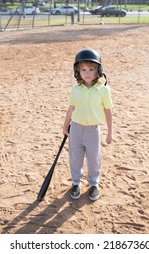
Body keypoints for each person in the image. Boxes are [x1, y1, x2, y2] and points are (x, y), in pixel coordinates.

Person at [63, 49, 113, 201]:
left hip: (93, 130)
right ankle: (76, 183)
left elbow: (107, 110)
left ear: (98, 70)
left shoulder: (103, 90)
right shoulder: (75, 89)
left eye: (91, 69)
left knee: (93, 159)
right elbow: (71, 108)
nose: (87, 73)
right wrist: (65, 126)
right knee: (75, 158)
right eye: (83, 69)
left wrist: (109, 132)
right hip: (76, 129)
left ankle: (93, 184)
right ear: (77, 71)